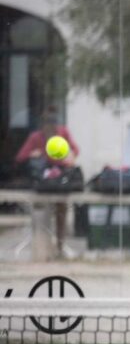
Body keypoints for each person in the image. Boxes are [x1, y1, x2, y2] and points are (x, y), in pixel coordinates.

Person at [15, 108, 80, 253]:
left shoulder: (63, 133)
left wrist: (70, 155)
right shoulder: (35, 137)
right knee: (41, 210)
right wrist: (33, 154)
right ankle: (42, 247)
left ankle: (60, 245)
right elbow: (20, 157)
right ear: (42, 125)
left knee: (61, 209)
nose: (50, 126)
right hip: (42, 181)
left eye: (53, 122)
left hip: (59, 178)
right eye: (47, 123)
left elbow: (75, 150)